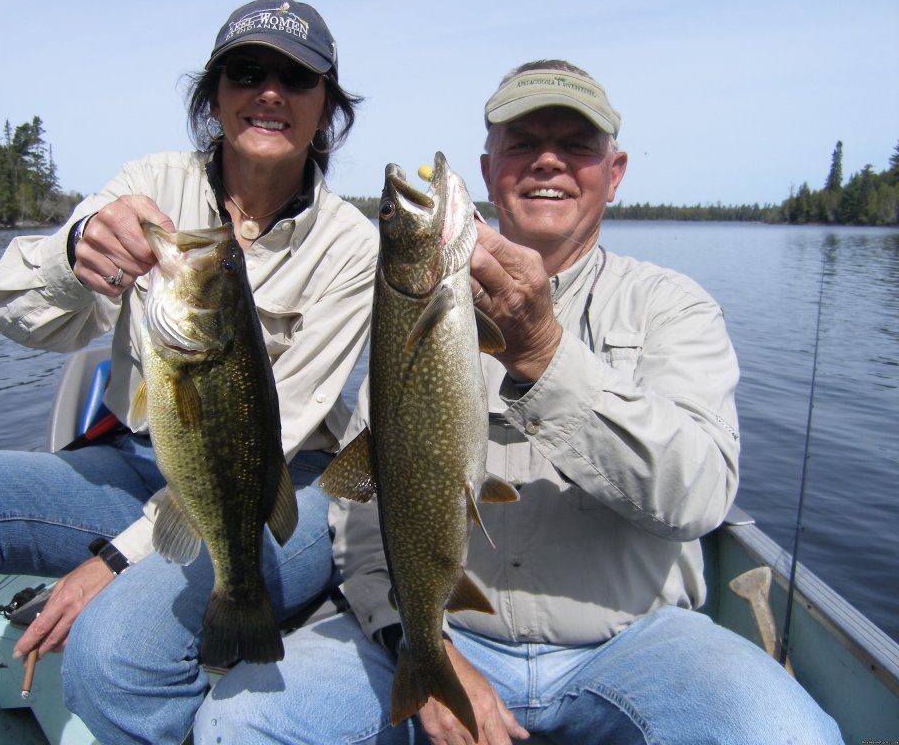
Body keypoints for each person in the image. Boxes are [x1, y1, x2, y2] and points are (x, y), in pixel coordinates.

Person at [189, 60, 844, 744]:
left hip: (636, 642)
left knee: (786, 732)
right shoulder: (413, 312)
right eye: (524, 143)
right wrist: (417, 644)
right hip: (446, 632)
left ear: (614, 172)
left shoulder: (672, 307)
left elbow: (699, 497)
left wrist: (541, 353)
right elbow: (360, 518)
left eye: (576, 145)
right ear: (489, 166)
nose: (548, 162)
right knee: (238, 722)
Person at [0, 0, 377, 745]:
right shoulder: (149, 184)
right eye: (246, 71)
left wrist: (115, 560)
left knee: (111, 652)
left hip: (273, 487)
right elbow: (17, 314)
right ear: (213, 99)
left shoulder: (351, 246)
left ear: (326, 111)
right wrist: (75, 254)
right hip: (135, 462)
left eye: (298, 78)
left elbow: (282, 429)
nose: (269, 91)